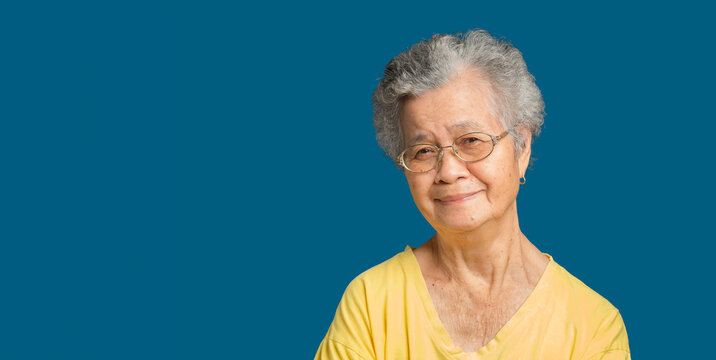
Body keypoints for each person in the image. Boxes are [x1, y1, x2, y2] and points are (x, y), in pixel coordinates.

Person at [315, 30, 630, 360]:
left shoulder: (592, 326)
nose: (449, 171)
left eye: (471, 141)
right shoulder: (370, 304)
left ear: (521, 148)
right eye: (423, 150)